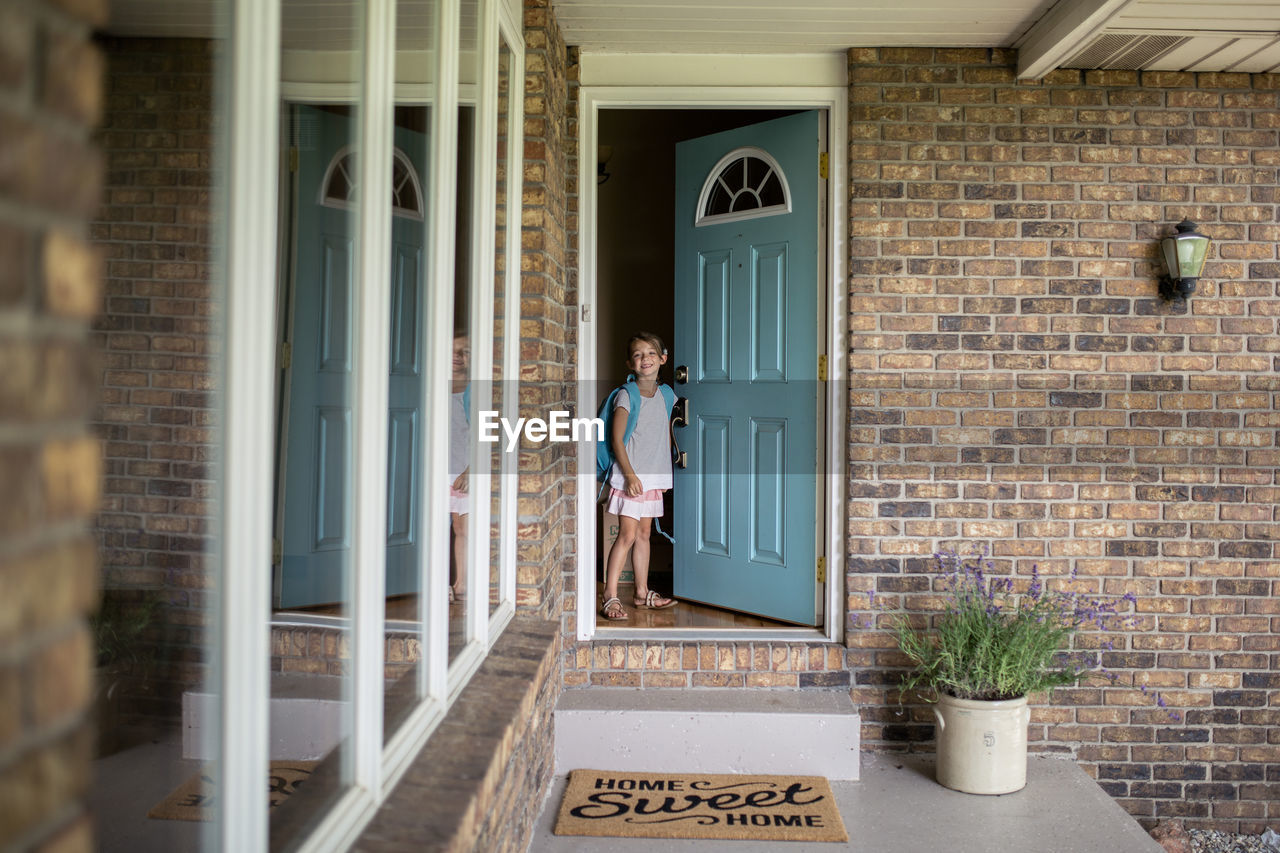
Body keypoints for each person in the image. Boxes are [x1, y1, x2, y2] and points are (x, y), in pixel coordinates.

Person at [600, 332, 678, 621]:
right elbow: (617, 440)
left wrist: (661, 478)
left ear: (663, 359)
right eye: (637, 354)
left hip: (652, 478)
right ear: (630, 363)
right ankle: (610, 594)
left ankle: (642, 592)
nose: (645, 359)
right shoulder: (626, 395)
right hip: (630, 478)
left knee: (645, 534)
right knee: (627, 535)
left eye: (650, 353)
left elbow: (663, 434)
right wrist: (630, 476)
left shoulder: (668, 394)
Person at [448, 331, 469, 603]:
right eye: (453, 350)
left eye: (465, 351)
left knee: (463, 528)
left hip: (463, 469)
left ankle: (461, 583)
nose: (457, 356)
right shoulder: (434, 385)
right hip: (441, 466)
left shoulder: (475, 392)